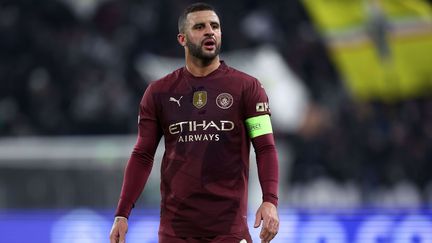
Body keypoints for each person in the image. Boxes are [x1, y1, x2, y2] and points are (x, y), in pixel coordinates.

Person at [109, 2, 279, 243]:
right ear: (182, 39)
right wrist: (122, 213)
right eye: (199, 27)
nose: (209, 31)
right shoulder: (158, 93)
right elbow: (143, 154)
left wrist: (270, 200)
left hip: (228, 231)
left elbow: (265, 147)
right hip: (175, 232)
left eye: (215, 26)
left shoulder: (248, 88)